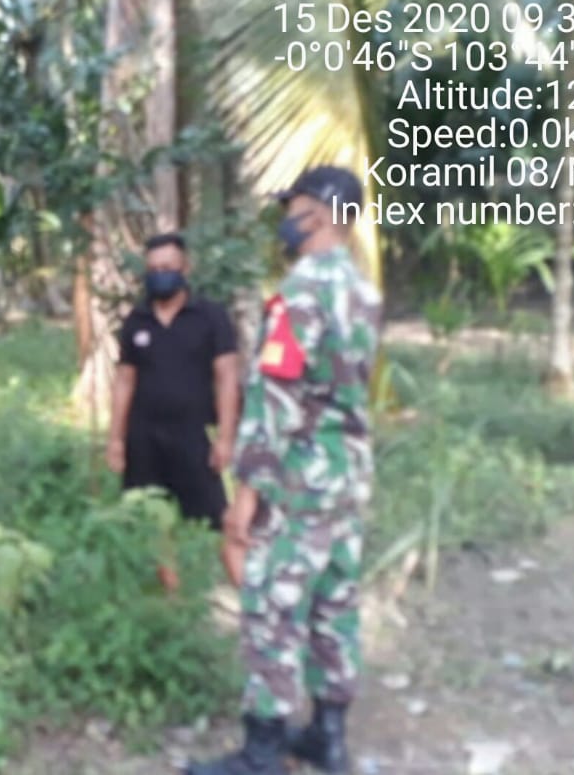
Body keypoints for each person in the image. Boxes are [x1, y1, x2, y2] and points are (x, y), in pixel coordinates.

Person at [188, 166, 382, 775]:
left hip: (298, 480)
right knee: (334, 602)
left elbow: (278, 400)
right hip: (345, 477)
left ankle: (263, 752)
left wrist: (246, 495)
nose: (286, 222)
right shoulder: (362, 291)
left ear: (318, 214)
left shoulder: (301, 292)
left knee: (273, 608)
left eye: (292, 209)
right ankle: (328, 736)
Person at [108, 232, 240, 542]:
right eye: (153, 270)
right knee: (149, 519)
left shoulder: (211, 317)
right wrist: (115, 439)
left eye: (167, 268)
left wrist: (226, 438)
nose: (160, 275)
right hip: (144, 437)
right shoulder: (136, 321)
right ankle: (167, 572)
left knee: (219, 520)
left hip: (195, 435)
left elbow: (227, 378)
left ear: (185, 268)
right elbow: (125, 381)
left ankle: (227, 570)